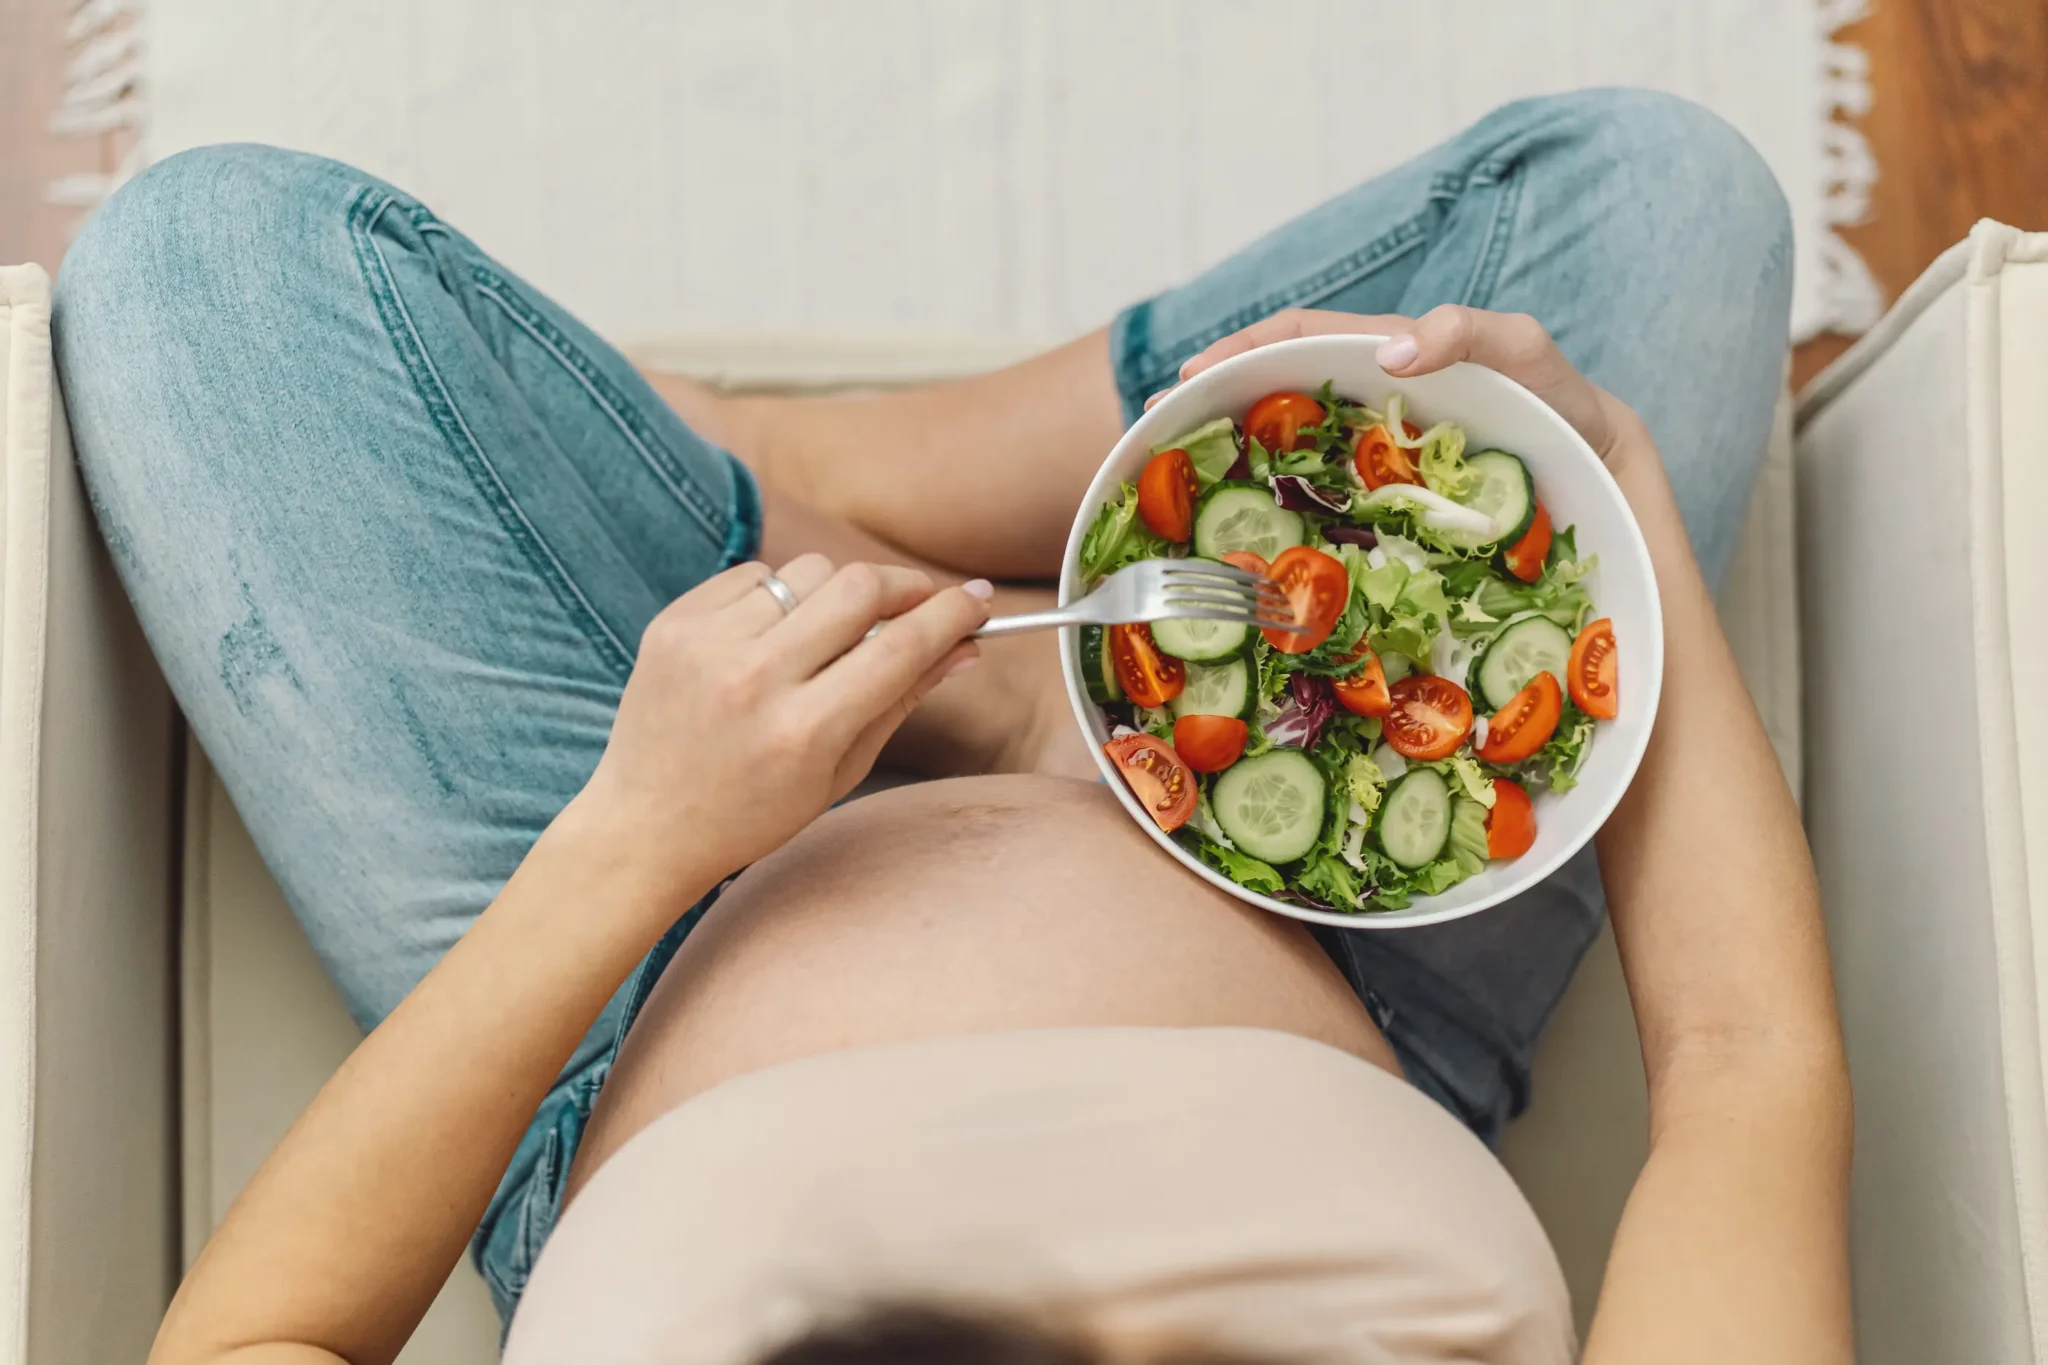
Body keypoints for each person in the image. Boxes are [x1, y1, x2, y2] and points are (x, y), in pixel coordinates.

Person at [52, 88, 1851, 1365]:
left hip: (631, 993)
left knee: (204, 262)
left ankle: (821, 514)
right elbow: (1744, 1067)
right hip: (1355, 976)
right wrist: (1600, 468)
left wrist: (642, 839)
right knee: (1668, 199)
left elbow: (260, 1333)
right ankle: (954, 627)